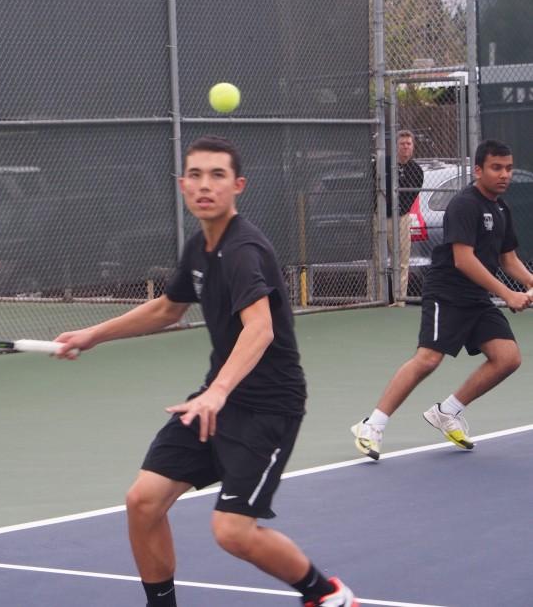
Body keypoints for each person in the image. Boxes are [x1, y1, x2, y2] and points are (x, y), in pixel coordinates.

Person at [55, 136, 357, 607]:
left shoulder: (243, 250)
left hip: (267, 408)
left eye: (217, 176)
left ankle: (327, 595)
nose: (204, 185)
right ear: (181, 185)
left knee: (232, 532)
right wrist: (92, 335)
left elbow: (260, 329)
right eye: (195, 175)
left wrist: (216, 392)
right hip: (216, 399)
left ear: (238, 186)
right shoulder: (200, 246)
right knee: (143, 502)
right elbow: (167, 309)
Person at [352, 139, 533, 460]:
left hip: (476, 297)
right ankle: (371, 425)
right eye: (496, 168)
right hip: (447, 293)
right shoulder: (465, 205)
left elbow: (509, 259)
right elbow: (463, 260)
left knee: (508, 358)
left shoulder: (501, 208)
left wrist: (529, 282)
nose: (504, 174)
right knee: (428, 360)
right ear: (478, 170)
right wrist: (508, 294)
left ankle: (446, 411)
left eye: (508, 168)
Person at [389, 130, 424, 305]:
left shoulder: (416, 170)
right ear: (396, 145)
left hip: (402, 218)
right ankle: (378, 298)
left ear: (413, 147)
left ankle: (399, 299)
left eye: (408, 144)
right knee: (379, 261)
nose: (405, 147)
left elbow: (411, 196)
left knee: (402, 261)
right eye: (402, 143)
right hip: (381, 218)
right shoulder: (384, 164)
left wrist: (400, 209)